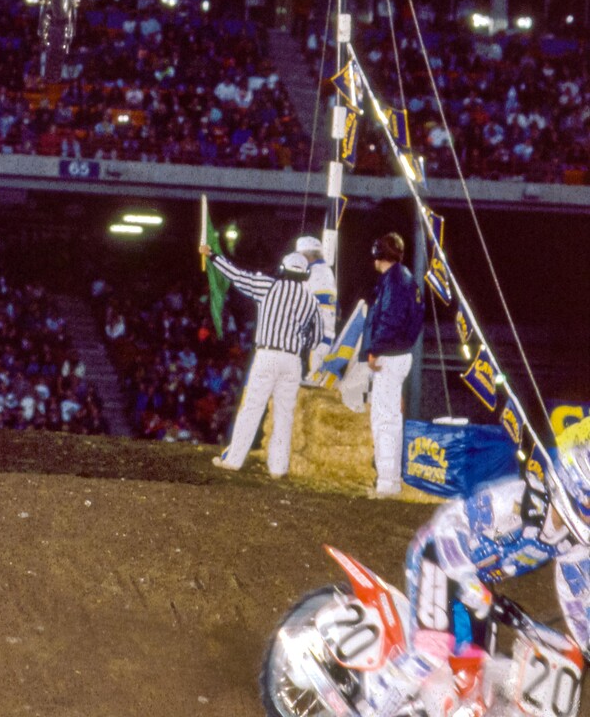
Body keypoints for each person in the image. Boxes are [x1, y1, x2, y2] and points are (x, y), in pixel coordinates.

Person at [359, 418, 590, 717]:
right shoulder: (522, 503)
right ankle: (368, 711)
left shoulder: (572, 541)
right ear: (575, 490)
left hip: (475, 586)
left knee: (475, 677)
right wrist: (473, 587)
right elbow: (449, 526)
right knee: (430, 652)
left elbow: (577, 597)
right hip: (438, 558)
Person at [197, 243, 323, 478]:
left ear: (283, 269)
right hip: (292, 360)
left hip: (267, 355)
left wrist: (212, 256)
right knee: (284, 415)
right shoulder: (311, 301)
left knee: (252, 408)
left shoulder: (268, 286)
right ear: (305, 274)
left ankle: (234, 460)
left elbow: (237, 276)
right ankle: (278, 468)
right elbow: (316, 339)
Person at [361, 232, 422, 498]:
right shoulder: (405, 278)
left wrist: (375, 350)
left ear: (378, 254)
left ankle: (387, 483)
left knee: (384, 419)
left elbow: (390, 319)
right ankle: (391, 481)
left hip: (390, 354)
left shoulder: (394, 281)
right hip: (401, 353)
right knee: (392, 420)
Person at [295, 235, 337, 378]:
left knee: (312, 384)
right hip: (325, 339)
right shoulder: (326, 271)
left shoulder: (313, 273)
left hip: (316, 341)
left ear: (307, 256)